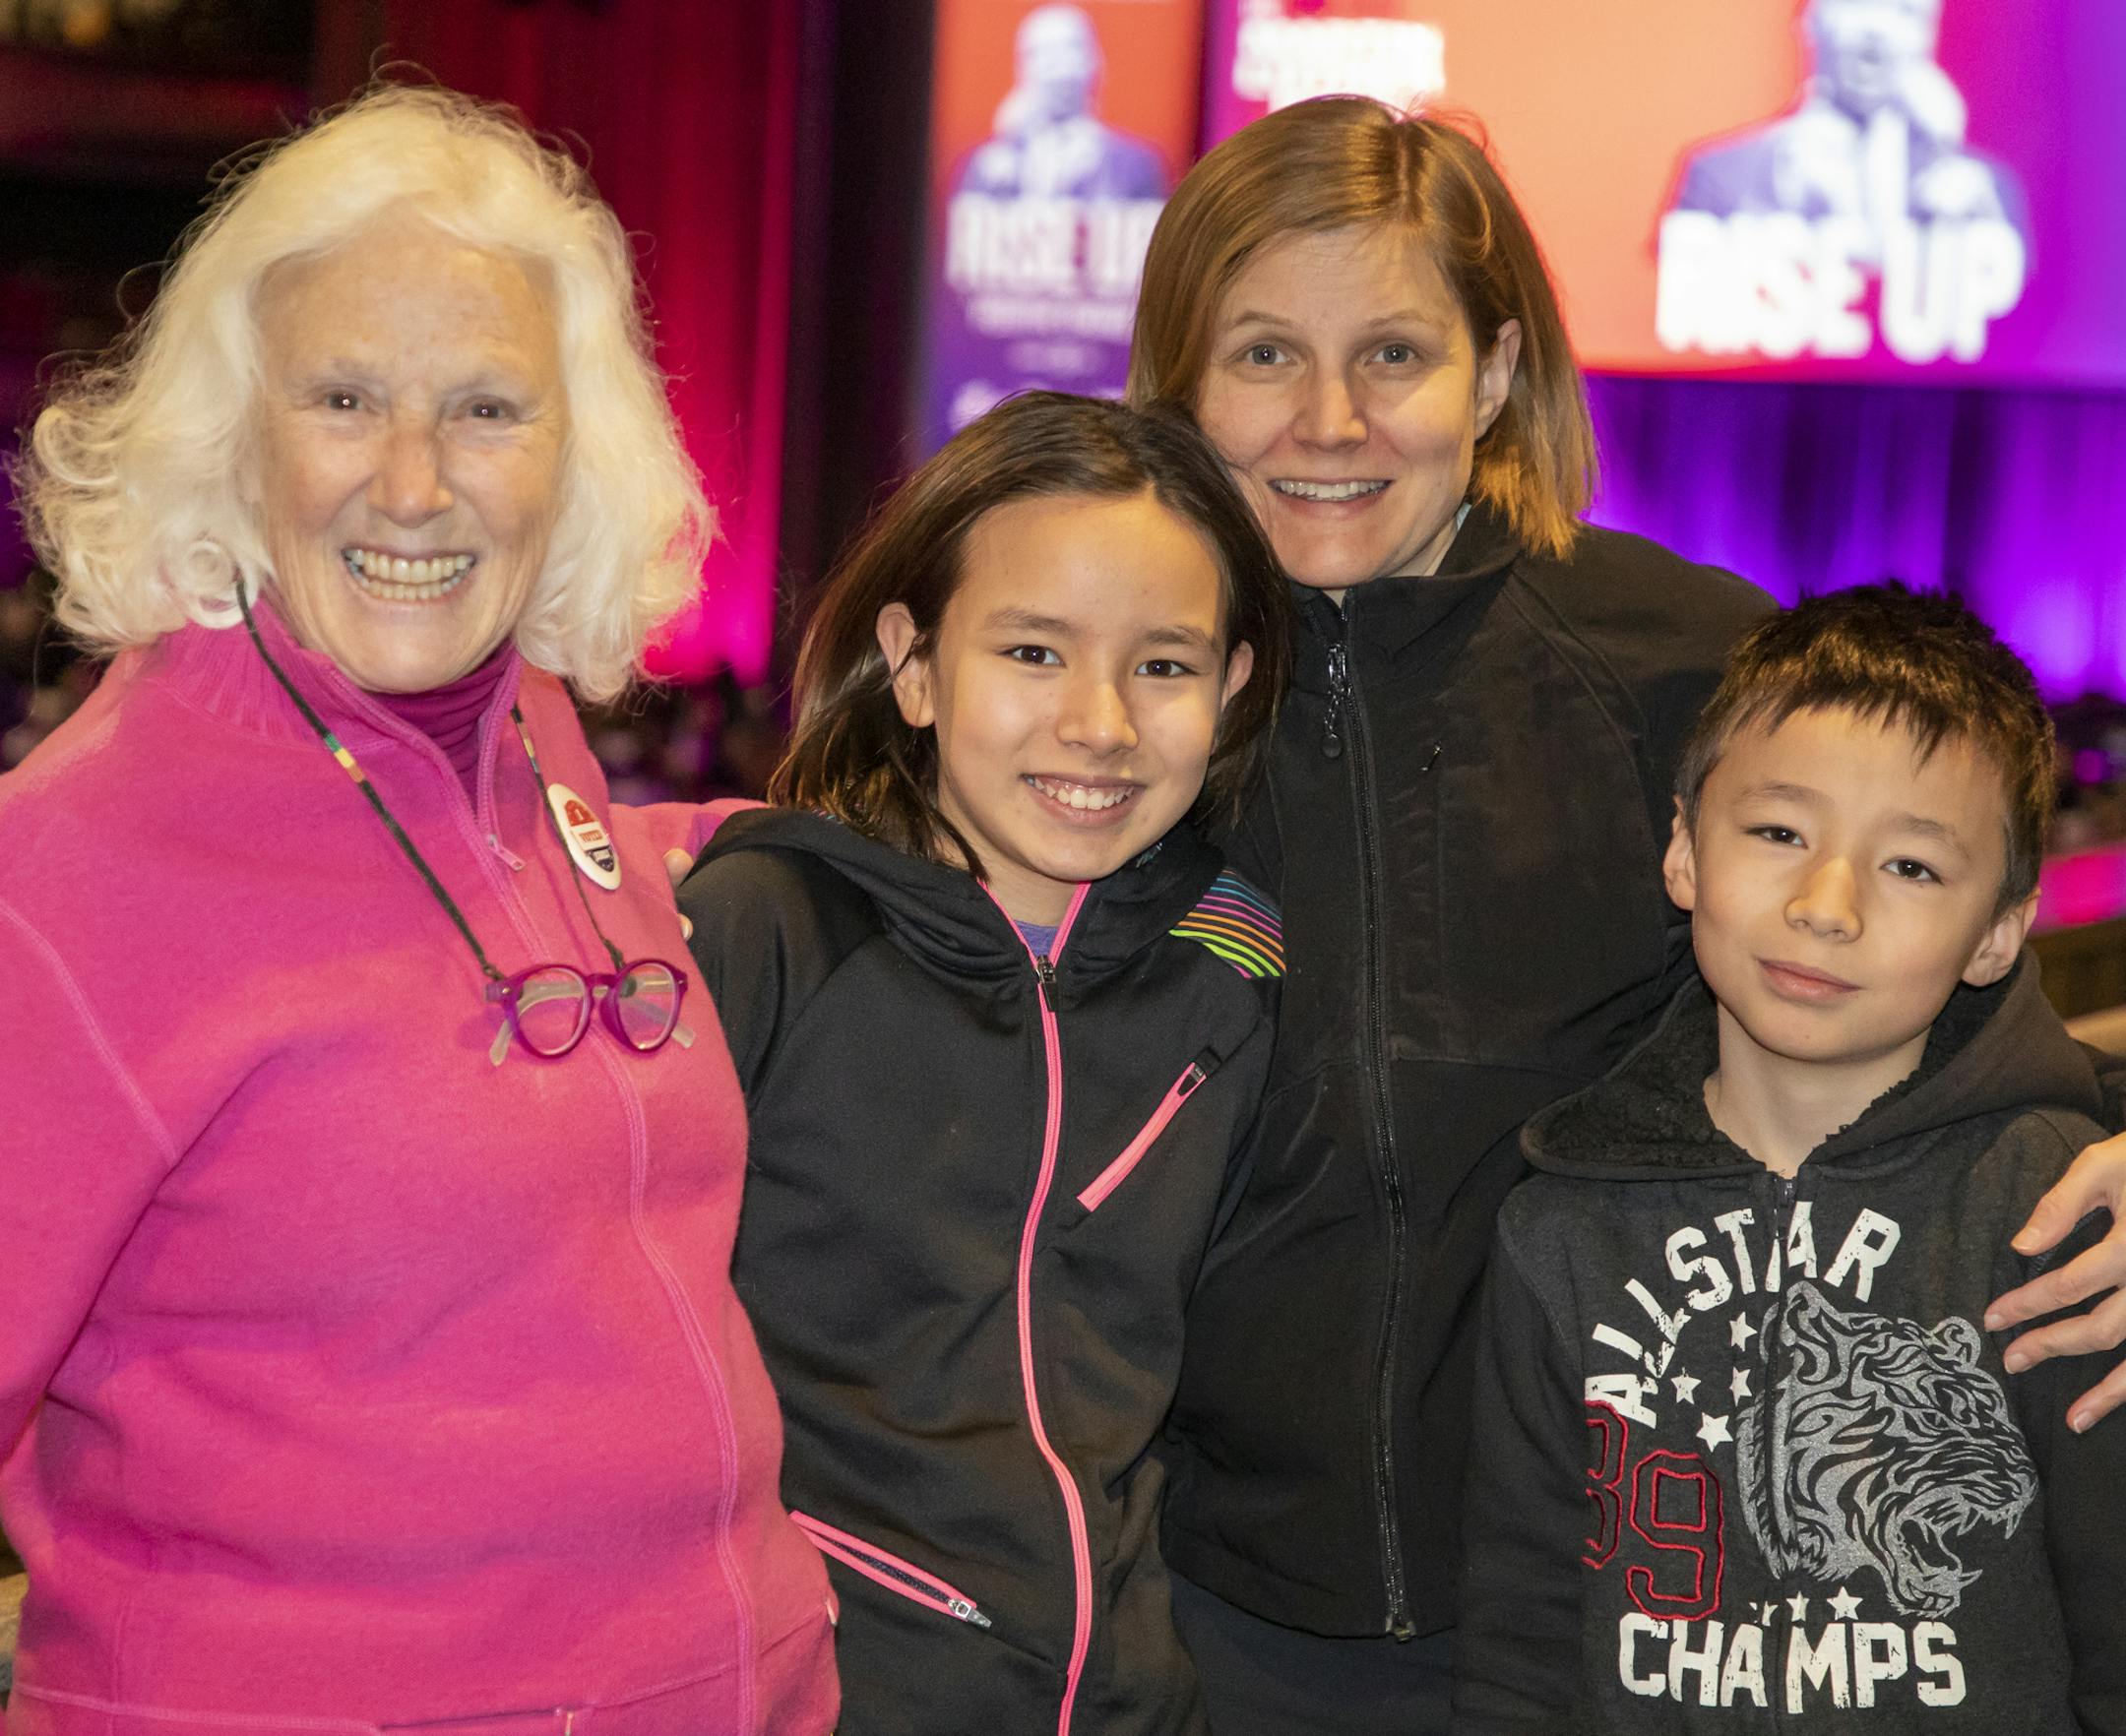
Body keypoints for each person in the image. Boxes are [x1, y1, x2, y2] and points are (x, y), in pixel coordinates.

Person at [1121, 95, 2126, 1735]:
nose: (1328, 419)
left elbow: (1922, 944)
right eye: (1259, 356)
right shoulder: (1130, 701)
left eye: (1392, 354)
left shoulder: (1682, 657)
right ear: (1177, 381)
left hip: (1634, 1600)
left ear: (1495, 375)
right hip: (1216, 1607)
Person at [0, 88, 835, 1734]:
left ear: (573, 449)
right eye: (344, 397)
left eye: (485, 408)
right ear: (236, 435)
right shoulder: (75, 862)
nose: (412, 480)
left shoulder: (526, 734)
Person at [677, 391, 1290, 1735]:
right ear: (913, 662)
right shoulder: (766, 931)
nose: (1100, 725)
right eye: (1032, 651)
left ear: (1234, 686)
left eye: (1165, 666)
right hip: (819, 1695)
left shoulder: (1230, 971)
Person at [1454, 586, 2126, 1729]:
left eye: (1910, 866)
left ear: (2001, 932)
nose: (1826, 906)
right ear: (1682, 849)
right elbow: (1520, 1644)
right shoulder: (1559, 1227)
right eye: (1778, 833)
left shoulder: (2058, 1214)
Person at [1670, 0, 2026, 250]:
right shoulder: (1721, 176)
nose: (1878, 30)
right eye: (1857, 1)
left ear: (1928, 38)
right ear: (1810, 22)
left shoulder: (1987, 192)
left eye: (1906, 10)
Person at [958, 4, 1167, 201]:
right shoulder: (987, 166)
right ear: (1021, 69)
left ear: (1095, 62)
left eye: (1071, 49)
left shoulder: (1137, 165)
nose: (1057, 67)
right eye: (1040, 54)